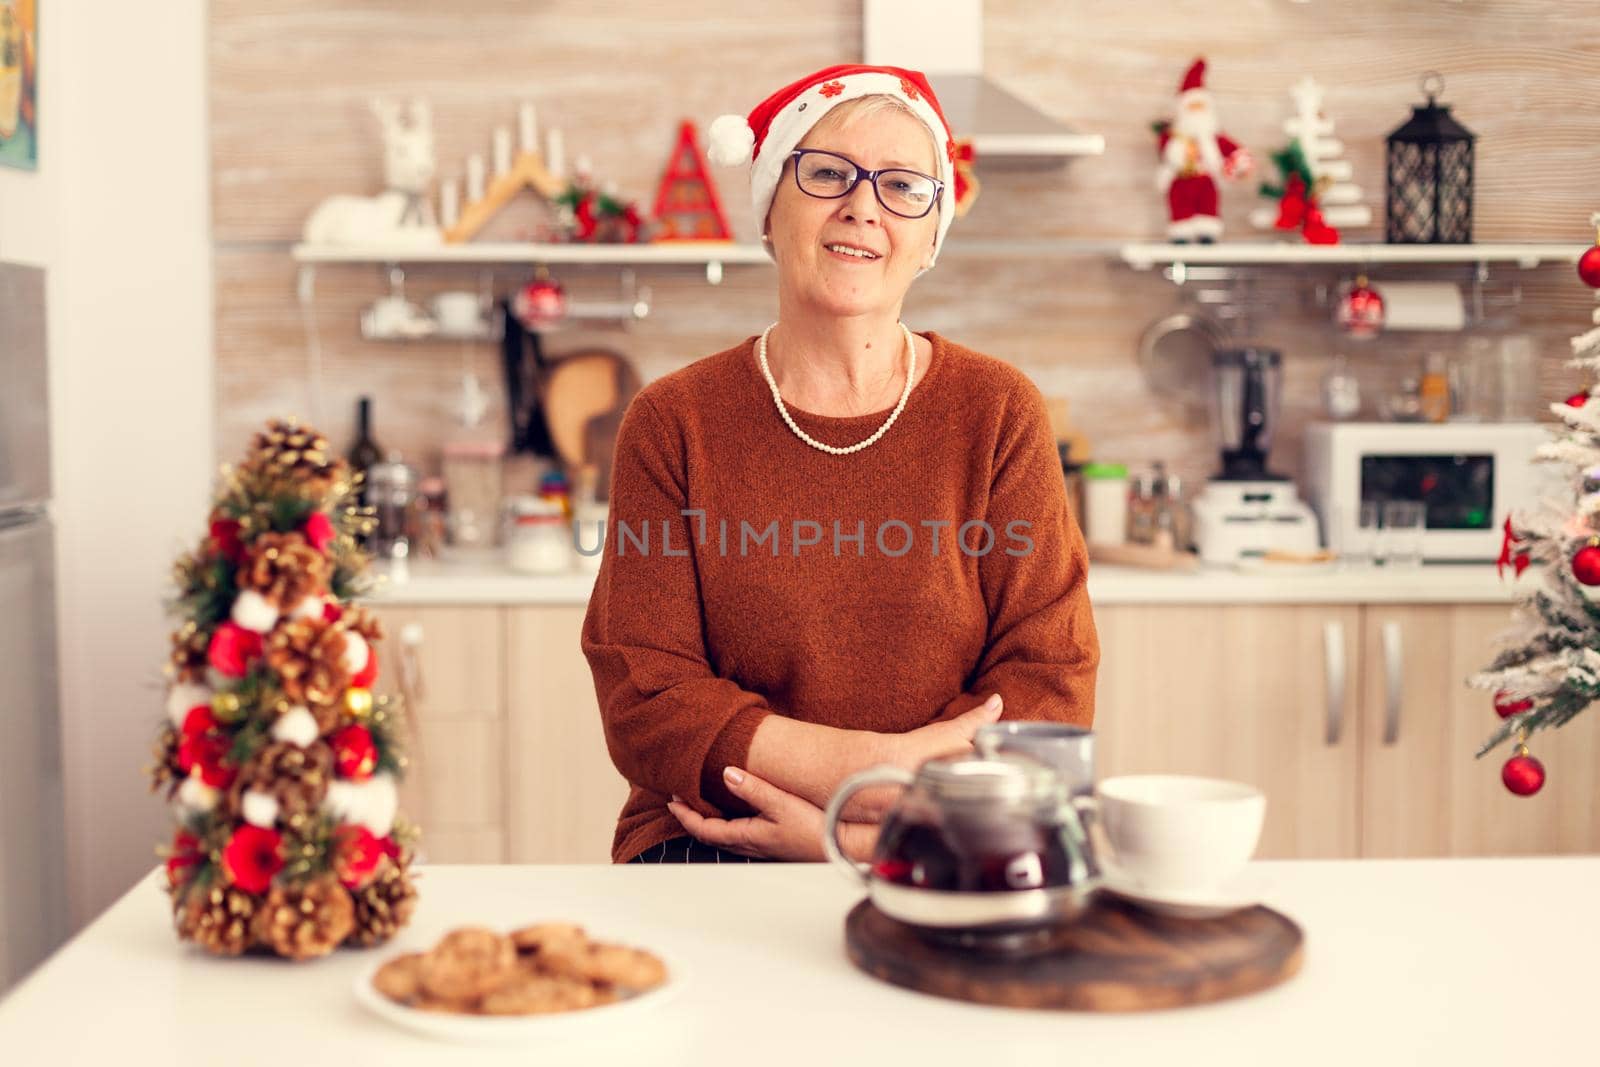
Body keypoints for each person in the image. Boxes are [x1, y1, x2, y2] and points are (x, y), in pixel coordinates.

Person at [581, 64, 1099, 865]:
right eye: (826, 173)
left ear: (931, 235)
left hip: (946, 832)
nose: (862, 205)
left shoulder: (999, 413)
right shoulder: (671, 422)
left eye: (902, 186)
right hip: (719, 836)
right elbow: (646, 694)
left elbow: (1050, 679)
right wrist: (864, 769)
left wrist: (863, 833)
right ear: (769, 206)